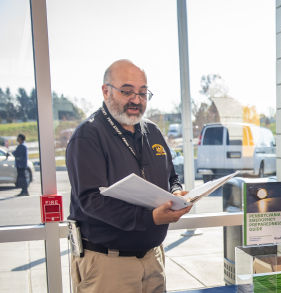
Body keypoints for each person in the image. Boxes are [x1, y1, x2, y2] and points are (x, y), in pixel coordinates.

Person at [66, 59, 192, 293]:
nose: (136, 100)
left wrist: (176, 192)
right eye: (127, 91)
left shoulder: (152, 132)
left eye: (143, 93)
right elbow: (90, 201)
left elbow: (172, 176)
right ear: (106, 91)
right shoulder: (88, 136)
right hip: (108, 264)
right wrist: (151, 218)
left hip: (153, 258)